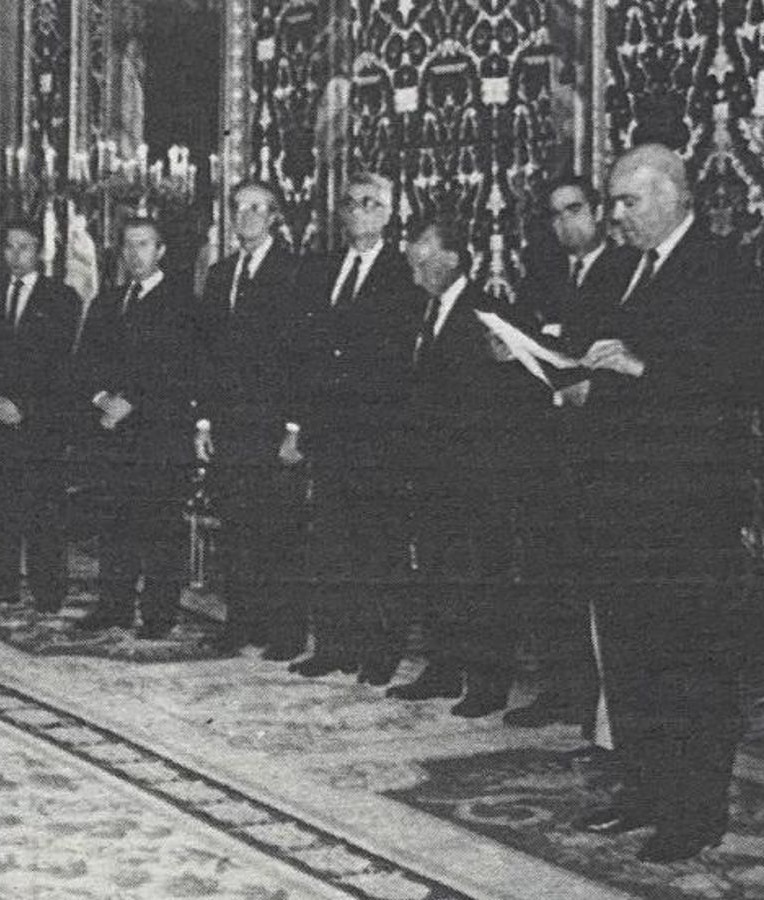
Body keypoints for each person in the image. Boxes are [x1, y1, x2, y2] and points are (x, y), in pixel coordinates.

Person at [563, 143, 764, 863]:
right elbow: (598, 355)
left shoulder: (724, 266)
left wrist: (643, 367)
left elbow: (742, 375)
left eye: (630, 201)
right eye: (614, 201)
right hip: (620, 499)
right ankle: (645, 788)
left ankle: (696, 809)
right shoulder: (621, 269)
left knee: (692, 660)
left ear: (676, 195)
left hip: (689, 502)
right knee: (632, 652)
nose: (616, 215)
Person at [384, 217, 536, 717]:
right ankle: (444, 668)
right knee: (436, 574)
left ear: (453, 257)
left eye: (424, 253)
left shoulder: (487, 313)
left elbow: (510, 395)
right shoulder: (422, 312)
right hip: (429, 474)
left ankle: (488, 683)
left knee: (481, 579)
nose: (414, 261)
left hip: (477, 475)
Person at [502, 177, 639, 735]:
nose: (566, 224)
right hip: (547, 445)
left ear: (599, 213)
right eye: (556, 215)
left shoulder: (625, 272)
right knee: (550, 572)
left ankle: (597, 705)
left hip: (600, 447)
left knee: (594, 581)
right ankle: (561, 689)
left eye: (575, 210)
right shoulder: (546, 274)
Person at [288, 171, 423, 684]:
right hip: (327, 430)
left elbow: (397, 356)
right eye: (351, 203)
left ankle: (380, 649)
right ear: (339, 213)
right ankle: (333, 645)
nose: (359, 211)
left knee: (379, 545)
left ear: (389, 213)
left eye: (371, 203)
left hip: (377, 433)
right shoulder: (321, 270)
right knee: (330, 543)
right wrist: (299, 425)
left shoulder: (401, 272)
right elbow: (304, 348)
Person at [193, 180, 310, 658]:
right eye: (239, 208)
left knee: (278, 531)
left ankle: (284, 632)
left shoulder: (294, 272)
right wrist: (203, 424)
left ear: (275, 217)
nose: (246, 217)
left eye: (257, 209)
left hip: (273, 424)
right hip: (229, 424)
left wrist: (294, 427)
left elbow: (304, 356)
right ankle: (241, 622)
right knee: (237, 530)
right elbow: (205, 354)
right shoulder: (221, 275)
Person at [72, 217, 197, 639]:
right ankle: (114, 605)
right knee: (115, 521)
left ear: (161, 251)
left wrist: (133, 402)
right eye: (127, 246)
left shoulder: (182, 303)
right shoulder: (107, 301)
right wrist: (102, 399)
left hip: (159, 433)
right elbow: (85, 361)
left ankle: (160, 612)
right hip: (111, 431)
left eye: (143, 245)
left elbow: (181, 368)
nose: (133, 254)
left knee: (160, 524)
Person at [0, 219, 80, 611]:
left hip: (40, 423)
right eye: (10, 247)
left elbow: (61, 366)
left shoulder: (62, 298)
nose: (16, 255)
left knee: (43, 510)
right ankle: (1, 582)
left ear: (41, 253)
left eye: (25, 247)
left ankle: (47, 588)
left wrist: (27, 409)